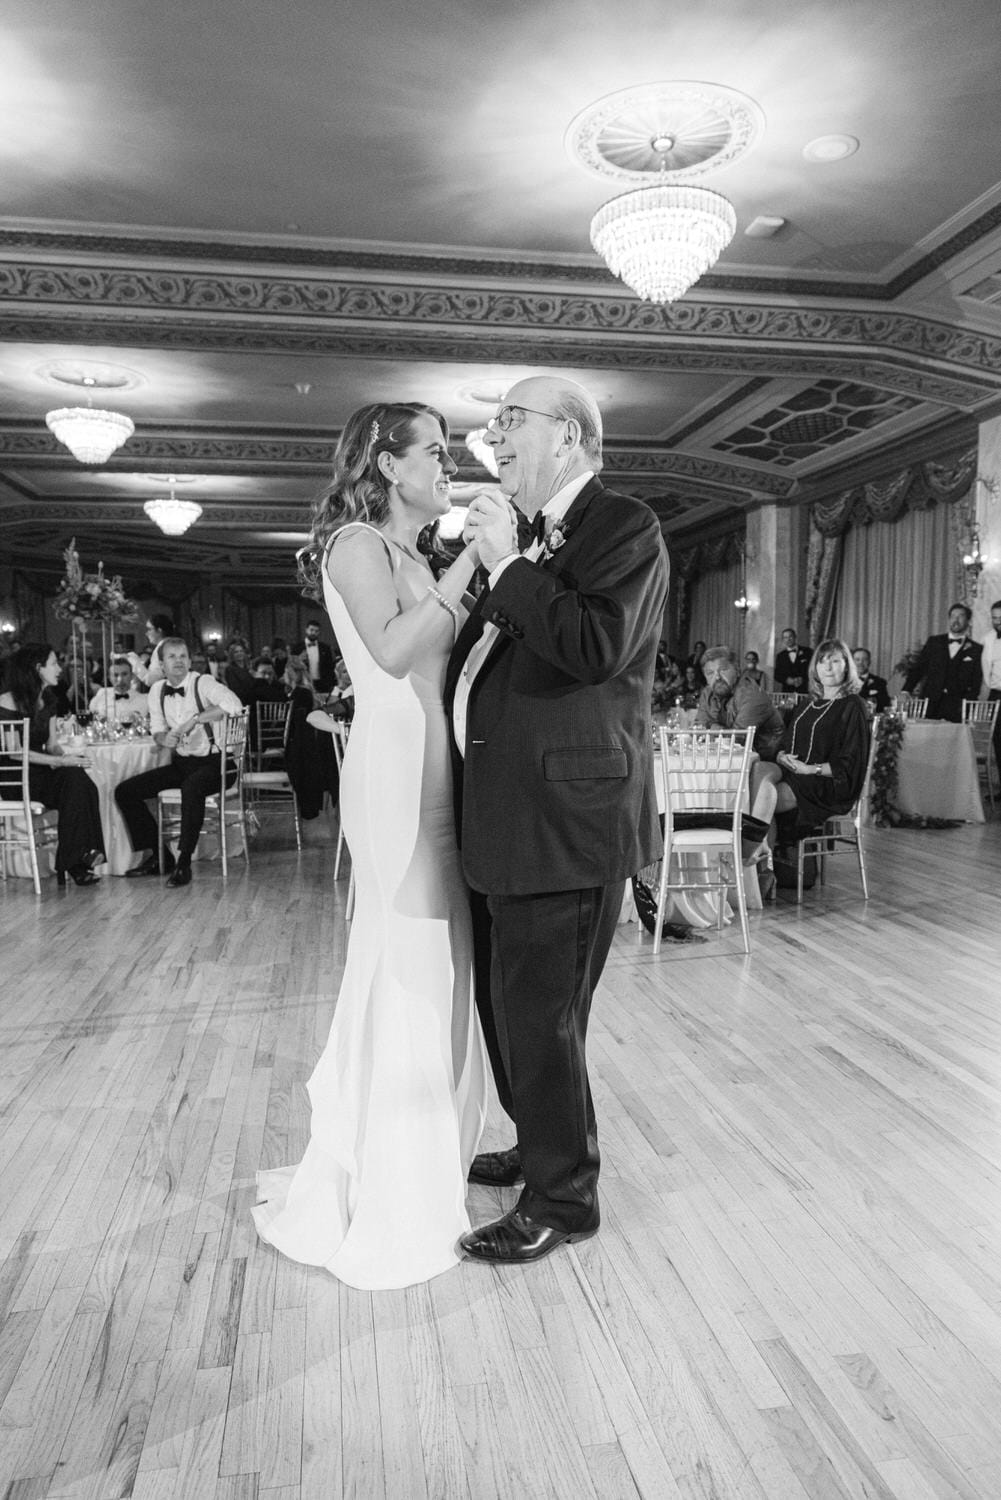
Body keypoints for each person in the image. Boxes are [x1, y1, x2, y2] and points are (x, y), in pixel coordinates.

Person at [252, 400, 491, 1290]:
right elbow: (392, 653)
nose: (448, 466)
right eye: (433, 452)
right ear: (388, 466)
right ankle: (394, 1184)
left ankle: (431, 1157)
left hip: (435, 753)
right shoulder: (356, 544)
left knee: (443, 958)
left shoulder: (410, 553)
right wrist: (476, 560)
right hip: (396, 763)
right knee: (407, 957)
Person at [447, 374, 669, 1265]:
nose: (493, 438)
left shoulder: (625, 527)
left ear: (568, 439)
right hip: (506, 811)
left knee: (544, 1016)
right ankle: (536, 1144)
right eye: (493, 422)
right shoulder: (532, 536)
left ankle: (563, 1199)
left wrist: (507, 566)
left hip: (569, 819)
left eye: (511, 422)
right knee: (507, 1008)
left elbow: (592, 645)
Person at [114, 638, 243, 886]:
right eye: (172, 657)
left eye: (183, 655)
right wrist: (166, 739)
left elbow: (233, 704)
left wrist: (196, 720)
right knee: (125, 791)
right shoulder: (157, 689)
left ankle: (184, 863)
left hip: (219, 763)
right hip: (184, 764)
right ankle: (159, 855)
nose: (179, 661)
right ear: (161, 664)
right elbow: (158, 731)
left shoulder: (202, 682)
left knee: (191, 787)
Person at [0, 644, 105, 886]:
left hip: (42, 771)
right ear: (38, 669)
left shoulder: (49, 698)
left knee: (79, 780)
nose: (60, 668)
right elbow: (15, 753)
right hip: (17, 778)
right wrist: (59, 761)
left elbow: (52, 745)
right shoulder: (6, 702)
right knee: (73, 781)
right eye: (54, 663)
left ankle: (76, 859)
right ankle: (78, 861)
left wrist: (70, 756)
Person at [755, 639, 870, 847]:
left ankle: (756, 865)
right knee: (757, 773)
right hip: (795, 772)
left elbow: (852, 763)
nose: (827, 667)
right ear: (815, 668)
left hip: (826, 783)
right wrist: (781, 755)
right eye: (822, 661)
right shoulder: (808, 703)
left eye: (834, 661)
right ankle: (761, 865)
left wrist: (809, 769)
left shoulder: (853, 705)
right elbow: (786, 741)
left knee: (757, 802)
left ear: (846, 666)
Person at [901, 602, 983, 721]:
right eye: (953, 616)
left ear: (968, 621)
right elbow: (919, 668)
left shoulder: (976, 649)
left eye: (960, 616)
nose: (956, 620)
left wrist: (968, 704)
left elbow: (976, 680)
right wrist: (906, 690)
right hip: (931, 701)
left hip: (957, 704)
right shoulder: (934, 642)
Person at [127, 614, 175, 687]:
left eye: (149, 629)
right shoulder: (171, 645)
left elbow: (151, 680)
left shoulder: (163, 649)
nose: (147, 633)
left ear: (159, 630)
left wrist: (132, 660)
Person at [981, 599, 1001, 775]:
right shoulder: (988, 639)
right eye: (995, 618)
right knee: (998, 743)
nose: (998, 622)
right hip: (996, 696)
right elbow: (986, 669)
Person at [292, 619, 337, 695]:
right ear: (306, 630)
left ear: (319, 632)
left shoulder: (325, 648)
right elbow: (291, 665)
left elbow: (330, 667)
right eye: (311, 630)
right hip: (304, 682)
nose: (313, 633)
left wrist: (330, 684)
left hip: (322, 683)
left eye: (316, 631)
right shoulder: (297, 647)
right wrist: (299, 659)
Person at [852, 647, 890, 713]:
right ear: (852, 662)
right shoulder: (844, 681)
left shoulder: (880, 682)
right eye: (857, 660)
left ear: (869, 662)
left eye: (864, 660)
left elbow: (884, 705)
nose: (860, 663)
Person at [774, 626, 810, 692]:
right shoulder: (780, 656)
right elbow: (777, 674)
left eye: (790, 636)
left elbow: (812, 670)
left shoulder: (808, 652)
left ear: (795, 637)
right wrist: (786, 680)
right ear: (783, 640)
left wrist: (803, 679)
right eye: (785, 637)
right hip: (787, 691)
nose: (788, 639)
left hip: (804, 690)